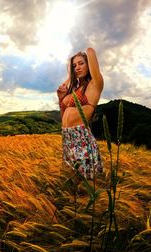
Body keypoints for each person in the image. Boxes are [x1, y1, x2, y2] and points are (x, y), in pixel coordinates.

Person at [57, 48, 103, 180]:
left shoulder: (95, 84)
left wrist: (83, 54)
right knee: (70, 180)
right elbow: (63, 118)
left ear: (89, 64)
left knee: (85, 182)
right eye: (74, 66)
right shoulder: (74, 90)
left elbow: (90, 51)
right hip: (67, 138)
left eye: (81, 63)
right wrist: (61, 98)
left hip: (81, 138)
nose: (77, 67)